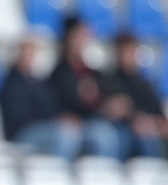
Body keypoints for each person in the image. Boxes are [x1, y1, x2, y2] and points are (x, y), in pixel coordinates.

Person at [101, 32, 168, 161]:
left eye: (133, 51)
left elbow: (159, 113)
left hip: (154, 130)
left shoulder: (144, 83)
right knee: (146, 140)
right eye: (126, 52)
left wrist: (157, 124)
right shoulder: (111, 81)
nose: (130, 56)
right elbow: (120, 111)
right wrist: (139, 121)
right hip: (131, 133)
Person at [49, 16, 129, 160]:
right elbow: (69, 104)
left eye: (85, 36)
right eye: (79, 36)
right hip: (77, 125)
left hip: (96, 121)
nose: (83, 41)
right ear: (68, 38)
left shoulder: (94, 73)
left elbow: (111, 94)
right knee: (103, 135)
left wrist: (113, 105)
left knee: (123, 134)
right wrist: (101, 106)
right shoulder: (60, 72)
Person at [0, 35, 82, 161]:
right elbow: (18, 115)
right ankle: (57, 175)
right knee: (64, 136)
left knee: (78, 131)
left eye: (32, 53)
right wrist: (53, 121)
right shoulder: (11, 83)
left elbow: (51, 105)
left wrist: (60, 119)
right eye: (25, 52)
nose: (29, 57)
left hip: (44, 127)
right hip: (22, 132)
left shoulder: (39, 82)